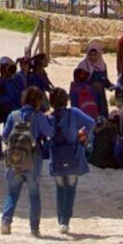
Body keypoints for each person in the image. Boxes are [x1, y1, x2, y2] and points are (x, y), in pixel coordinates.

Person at [0, 87, 57, 236]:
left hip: (14, 159)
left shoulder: (13, 115)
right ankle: (34, 228)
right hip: (33, 158)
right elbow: (50, 133)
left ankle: (6, 222)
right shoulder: (39, 116)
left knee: (12, 193)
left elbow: (4, 137)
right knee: (34, 195)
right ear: (38, 101)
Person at [41, 85, 96, 233]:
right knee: (70, 190)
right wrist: (82, 134)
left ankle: (60, 220)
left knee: (60, 189)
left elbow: (46, 135)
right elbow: (91, 123)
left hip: (57, 157)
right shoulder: (75, 113)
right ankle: (66, 221)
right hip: (73, 155)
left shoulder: (49, 117)